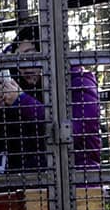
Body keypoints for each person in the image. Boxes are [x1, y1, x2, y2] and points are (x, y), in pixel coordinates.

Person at [9, 24, 103, 169]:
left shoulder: (80, 81)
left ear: (47, 53)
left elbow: (71, 132)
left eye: (30, 56)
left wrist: (22, 101)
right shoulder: (29, 87)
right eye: (19, 60)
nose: (24, 66)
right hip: (39, 179)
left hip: (80, 178)